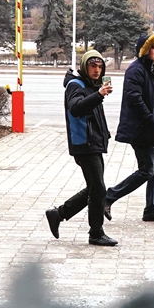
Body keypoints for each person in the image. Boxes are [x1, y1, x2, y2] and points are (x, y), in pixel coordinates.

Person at [45, 50, 118, 246]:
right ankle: (96, 232)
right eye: (93, 66)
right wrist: (98, 95)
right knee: (98, 188)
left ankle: (58, 213)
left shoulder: (90, 85)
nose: (97, 70)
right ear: (85, 66)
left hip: (94, 142)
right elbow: (76, 108)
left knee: (95, 188)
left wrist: (98, 93)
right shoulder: (75, 85)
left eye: (100, 67)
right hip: (84, 143)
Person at [105, 33, 154, 222]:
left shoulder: (151, 70)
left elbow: (150, 97)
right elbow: (134, 98)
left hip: (150, 128)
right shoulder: (135, 70)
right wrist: (149, 118)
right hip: (141, 129)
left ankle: (151, 210)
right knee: (147, 169)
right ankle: (109, 196)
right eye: (153, 47)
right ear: (145, 50)